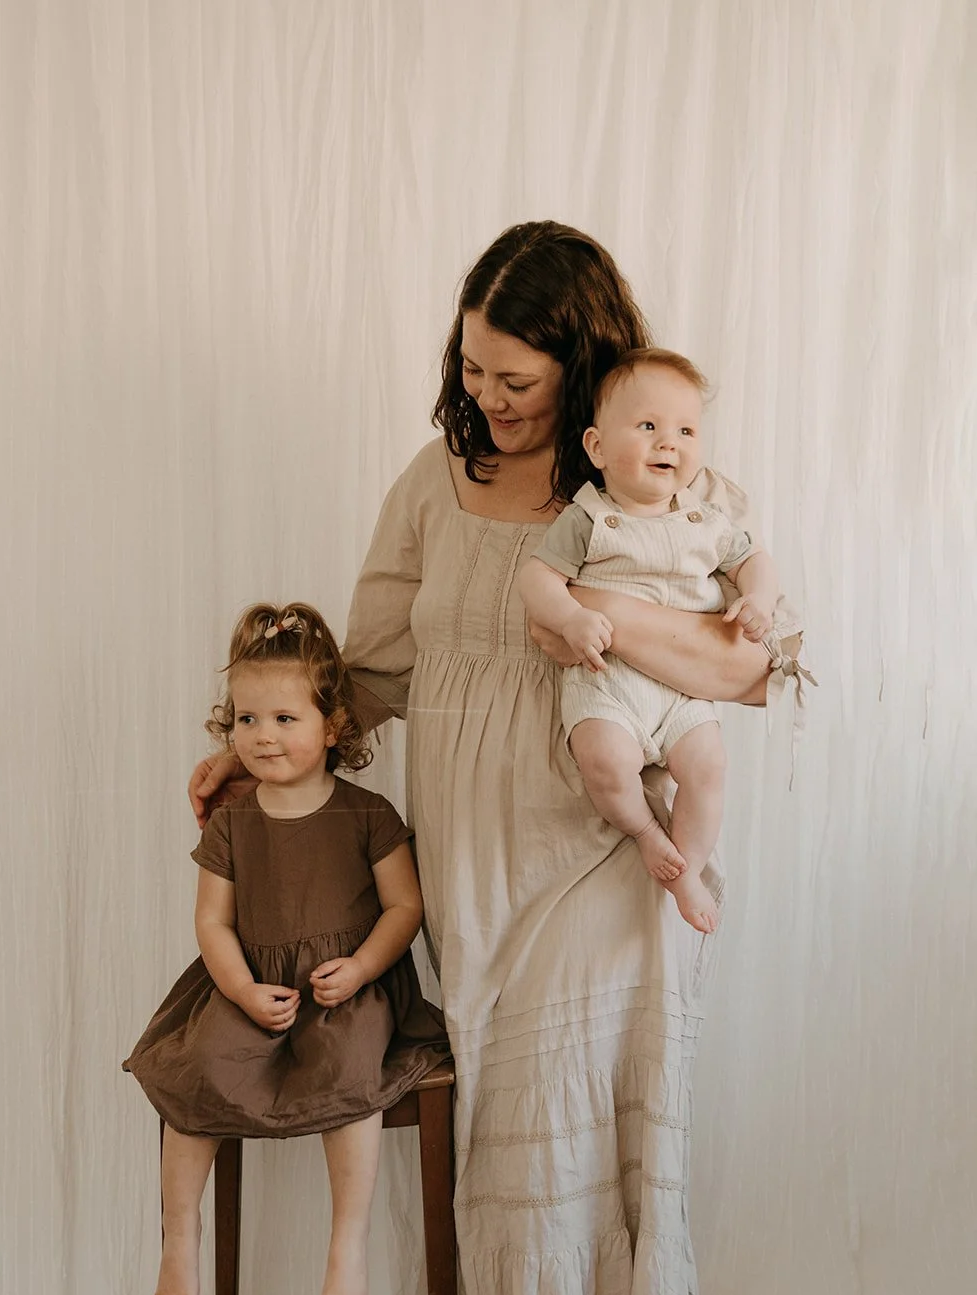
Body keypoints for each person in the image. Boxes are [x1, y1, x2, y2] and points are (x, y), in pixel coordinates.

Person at [190, 223, 807, 1295]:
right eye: (469, 367)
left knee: (574, 1124)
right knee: (511, 1134)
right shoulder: (435, 480)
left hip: (611, 842)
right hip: (475, 860)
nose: (486, 397)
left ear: (582, 365)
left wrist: (590, 609)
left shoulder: (655, 481)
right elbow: (374, 670)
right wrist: (271, 754)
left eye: (514, 377)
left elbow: (746, 669)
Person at [127, 602, 449, 1295]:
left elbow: (404, 906)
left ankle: (346, 1253)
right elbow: (212, 921)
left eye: (283, 719)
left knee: (347, 1072)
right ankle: (179, 1245)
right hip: (251, 986)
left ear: (332, 726)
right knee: (197, 1070)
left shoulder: (367, 814)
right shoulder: (234, 821)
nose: (261, 736)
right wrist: (241, 989)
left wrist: (362, 965)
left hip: (347, 992)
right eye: (245, 719)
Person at [518, 348, 780, 936]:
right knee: (605, 761)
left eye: (685, 430)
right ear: (597, 448)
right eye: (648, 427)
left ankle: (685, 869)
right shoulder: (589, 518)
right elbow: (536, 580)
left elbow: (756, 562)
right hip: (608, 684)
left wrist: (757, 601)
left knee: (708, 767)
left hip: (681, 690)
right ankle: (643, 831)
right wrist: (570, 617)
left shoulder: (706, 519)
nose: (669, 443)